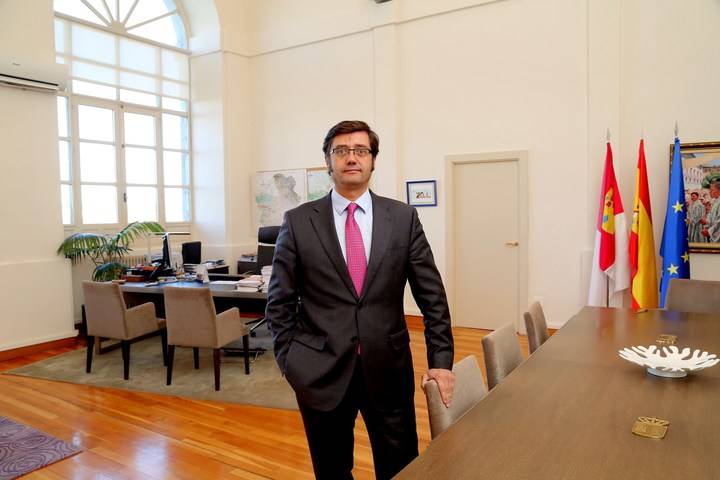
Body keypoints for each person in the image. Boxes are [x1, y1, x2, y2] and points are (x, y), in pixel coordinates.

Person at [265, 120, 455, 480]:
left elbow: (432, 295)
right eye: (341, 151)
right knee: (332, 470)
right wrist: (291, 362)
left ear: (372, 160)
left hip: (388, 367)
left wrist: (441, 361)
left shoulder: (402, 218)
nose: (351, 158)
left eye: (360, 150)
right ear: (328, 161)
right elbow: (279, 302)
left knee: (400, 466)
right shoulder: (299, 222)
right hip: (319, 371)